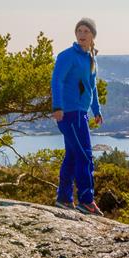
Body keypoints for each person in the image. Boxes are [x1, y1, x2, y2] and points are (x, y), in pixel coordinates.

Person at [51, 18, 103, 215]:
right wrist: (57, 106)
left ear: (92, 36)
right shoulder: (67, 56)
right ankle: (86, 200)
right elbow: (57, 80)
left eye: (86, 31)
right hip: (69, 113)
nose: (82, 34)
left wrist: (97, 110)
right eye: (79, 31)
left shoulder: (90, 58)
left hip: (80, 112)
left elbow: (92, 86)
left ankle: (64, 198)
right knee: (85, 156)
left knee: (73, 156)